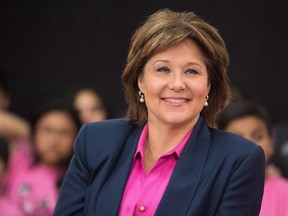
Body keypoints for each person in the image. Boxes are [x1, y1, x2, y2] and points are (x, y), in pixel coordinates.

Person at [54, 8, 265, 215]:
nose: (177, 84)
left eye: (192, 71)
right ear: (140, 81)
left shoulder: (239, 160)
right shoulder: (95, 141)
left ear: (208, 86)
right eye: (163, 69)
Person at [0, 102, 80, 216]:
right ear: (34, 133)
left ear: (77, 138)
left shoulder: (76, 180)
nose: (54, 140)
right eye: (46, 130)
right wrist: (28, 133)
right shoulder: (22, 163)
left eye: (64, 133)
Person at [216, 99, 288, 216]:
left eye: (258, 136)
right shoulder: (207, 189)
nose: (250, 146)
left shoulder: (285, 194)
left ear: (271, 142)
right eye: (238, 139)